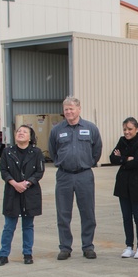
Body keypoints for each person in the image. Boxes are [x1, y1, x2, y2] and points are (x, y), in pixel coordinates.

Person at [49, 96, 102, 261]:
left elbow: (97, 150)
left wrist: (88, 163)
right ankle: (65, 247)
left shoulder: (90, 128)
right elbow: (52, 151)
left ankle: (88, 246)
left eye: (71, 108)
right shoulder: (57, 130)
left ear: (79, 109)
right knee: (63, 213)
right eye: (66, 109)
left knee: (88, 212)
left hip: (84, 175)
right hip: (64, 175)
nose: (68, 112)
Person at [0, 125, 44, 266]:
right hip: (12, 192)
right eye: (19, 131)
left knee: (28, 225)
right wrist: (14, 183)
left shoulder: (36, 153)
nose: (21, 133)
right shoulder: (7, 152)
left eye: (25, 132)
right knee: (9, 226)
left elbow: (39, 172)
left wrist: (27, 183)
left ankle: (27, 254)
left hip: (30, 193)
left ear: (30, 137)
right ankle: (3, 255)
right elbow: (3, 170)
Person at [110, 117, 138, 259]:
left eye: (129, 129)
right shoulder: (122, 141)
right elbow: (112, 158)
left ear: (136, 129)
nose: (127, 132)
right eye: (125, 129)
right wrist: (126, 158)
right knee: (126, 216)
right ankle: (129, 246)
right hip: (123, 184)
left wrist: (122, 158)